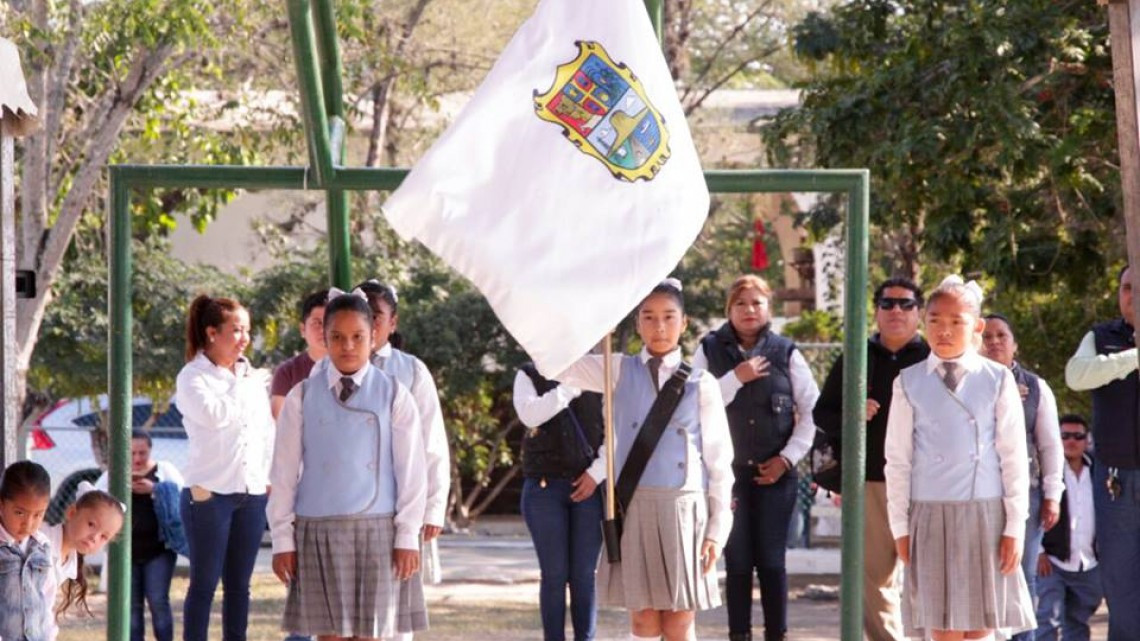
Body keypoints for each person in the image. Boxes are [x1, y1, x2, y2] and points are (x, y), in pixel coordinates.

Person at [557, 278, 733, 641]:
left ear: (684, 323)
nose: (660, 327)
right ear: (636, 323)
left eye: (669, 316)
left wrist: (717, 530)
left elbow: (719, 463)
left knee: (680, 621)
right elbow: (557, 366)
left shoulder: (702, 383)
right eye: (648, 317)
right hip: (633, 505)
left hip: (684, 510)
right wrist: (591, 323)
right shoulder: (615, 368)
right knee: (643, 621)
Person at [268, 288, 427, 640]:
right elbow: (283, 474)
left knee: (370, 635)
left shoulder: (395, 393)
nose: (348, 346)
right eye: (337, 337)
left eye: (358, 337)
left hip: (378, 531)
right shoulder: (302, 396)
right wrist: (283, 540)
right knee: (328, 635)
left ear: (374, 337)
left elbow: (412, 470)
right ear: (323, 339)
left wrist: (407, 534)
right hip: (317, 531)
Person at [884, 275, 1035, 640]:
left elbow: (1014, 457)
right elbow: (898, 460)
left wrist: (1015, 526)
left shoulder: (997, 379)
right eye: (935, 320)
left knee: (982, 625)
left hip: (985, 511)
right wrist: (900, 527)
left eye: (956, 322)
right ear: (924, 322)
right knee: (943, 627)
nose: (944, 331)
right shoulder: (908, 381)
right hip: (930, 511)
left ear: (977, 327)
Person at [691, 275, 820, 641]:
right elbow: (692, 402)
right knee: (737, 564)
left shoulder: (787, 352)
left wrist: (787, 458)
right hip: (727, 479)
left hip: (776, 477)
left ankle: (776, 634)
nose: (749, 310)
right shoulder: (708, 349)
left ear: (769, 309)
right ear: (729, 309)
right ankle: (739, 635)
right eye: (741, 303)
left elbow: (811, 411)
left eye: (757, 303)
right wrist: (735, 378)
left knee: (772, 564)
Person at [814, 276, 929, 641]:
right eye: (888, 303)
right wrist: (853, 412)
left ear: (919, 313)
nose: (897, 310)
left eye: (906, 304)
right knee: (874, 580)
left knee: (931, 578)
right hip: (872, 484)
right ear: (876, 312)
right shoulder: (856, 356)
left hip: (927, 484)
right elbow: (823, 415)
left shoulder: (933, 359)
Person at [175, 294, 275, 641]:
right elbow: (215, 416)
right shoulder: (193, 377)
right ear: (212, 333)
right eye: (236, 330)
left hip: (250, 494)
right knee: (203, 585)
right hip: (208, 494)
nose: (244, 338)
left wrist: (267, 478)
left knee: (239, 587)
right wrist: (243, 385)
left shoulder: (250, 378)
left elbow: (264, 431)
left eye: (247, 330)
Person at [357, 280, 451, 639]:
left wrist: (433, 507)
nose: (369, 322)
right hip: (351, 508)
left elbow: (432, 443)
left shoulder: (411, 371)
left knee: (395, 615)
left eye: (376, 315)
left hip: (402, 507)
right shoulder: (329, 370)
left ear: (392, 323)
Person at [1065, 264, 1138, 641]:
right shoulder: (1101, 336)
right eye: (1127, 288)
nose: (1132, 295)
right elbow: (1076, 376)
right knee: (1120, 577)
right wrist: (1134, 357)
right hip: (1116, 480)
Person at [982, 312, 1065, 641]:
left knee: (1021, 575)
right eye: (986, 336)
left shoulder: (1036, 386)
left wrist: (1052, 495)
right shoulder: (964, 383)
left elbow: (1050, 445)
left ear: (1014, 345)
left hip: (1024, 496)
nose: (993, 342)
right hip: (976, 496)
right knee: (983, 579)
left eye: (1001, 336)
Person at [513, 361, 604, 641]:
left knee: (584, 576)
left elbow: (616, 429)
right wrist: (571, 387)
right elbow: (531, 415)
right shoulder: (528, 373)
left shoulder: (601, 371)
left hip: (589, 485)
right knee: (554, 575)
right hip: (544, 487)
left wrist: (596, 474)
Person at [1035, 414, 1102, 641]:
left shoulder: (1099, 472)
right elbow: (1030, 510)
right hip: (1052, 562)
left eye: (1078, 436)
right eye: (1064, 436)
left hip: (1089, 563)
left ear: (1087, 439)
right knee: (1047, 618)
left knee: (1078, 622)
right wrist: (1038, 551)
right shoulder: (1045, 473)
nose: (1071, 441)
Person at [117, 430, 187, 641]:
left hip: (158, 551)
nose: (137, 459)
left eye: (143, 453)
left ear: (150, 451)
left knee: (158, 601)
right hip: (126, 552)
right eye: (133, 453)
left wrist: (155, 489)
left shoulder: (164, 470)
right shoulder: (116, 474)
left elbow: (182, 497)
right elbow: (96, 496)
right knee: (131, 608)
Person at [41, 482, 124, 620]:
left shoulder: (69, 562)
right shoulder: (41, 540)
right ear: (72, 513)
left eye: (104, 536)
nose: (94, 537)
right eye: (91, 524)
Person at [0, 460, 57, 641]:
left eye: (38, 515)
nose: (28, 523)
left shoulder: (42, 546)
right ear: (1, 505)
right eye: (19, 513)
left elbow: (47, 598)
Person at [271, 290, 328, 419]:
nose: (324, 330)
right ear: (303, 329)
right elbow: (280, 420)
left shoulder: (352, 368)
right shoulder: (287, 372)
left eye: (330, 323)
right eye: (317, 323)